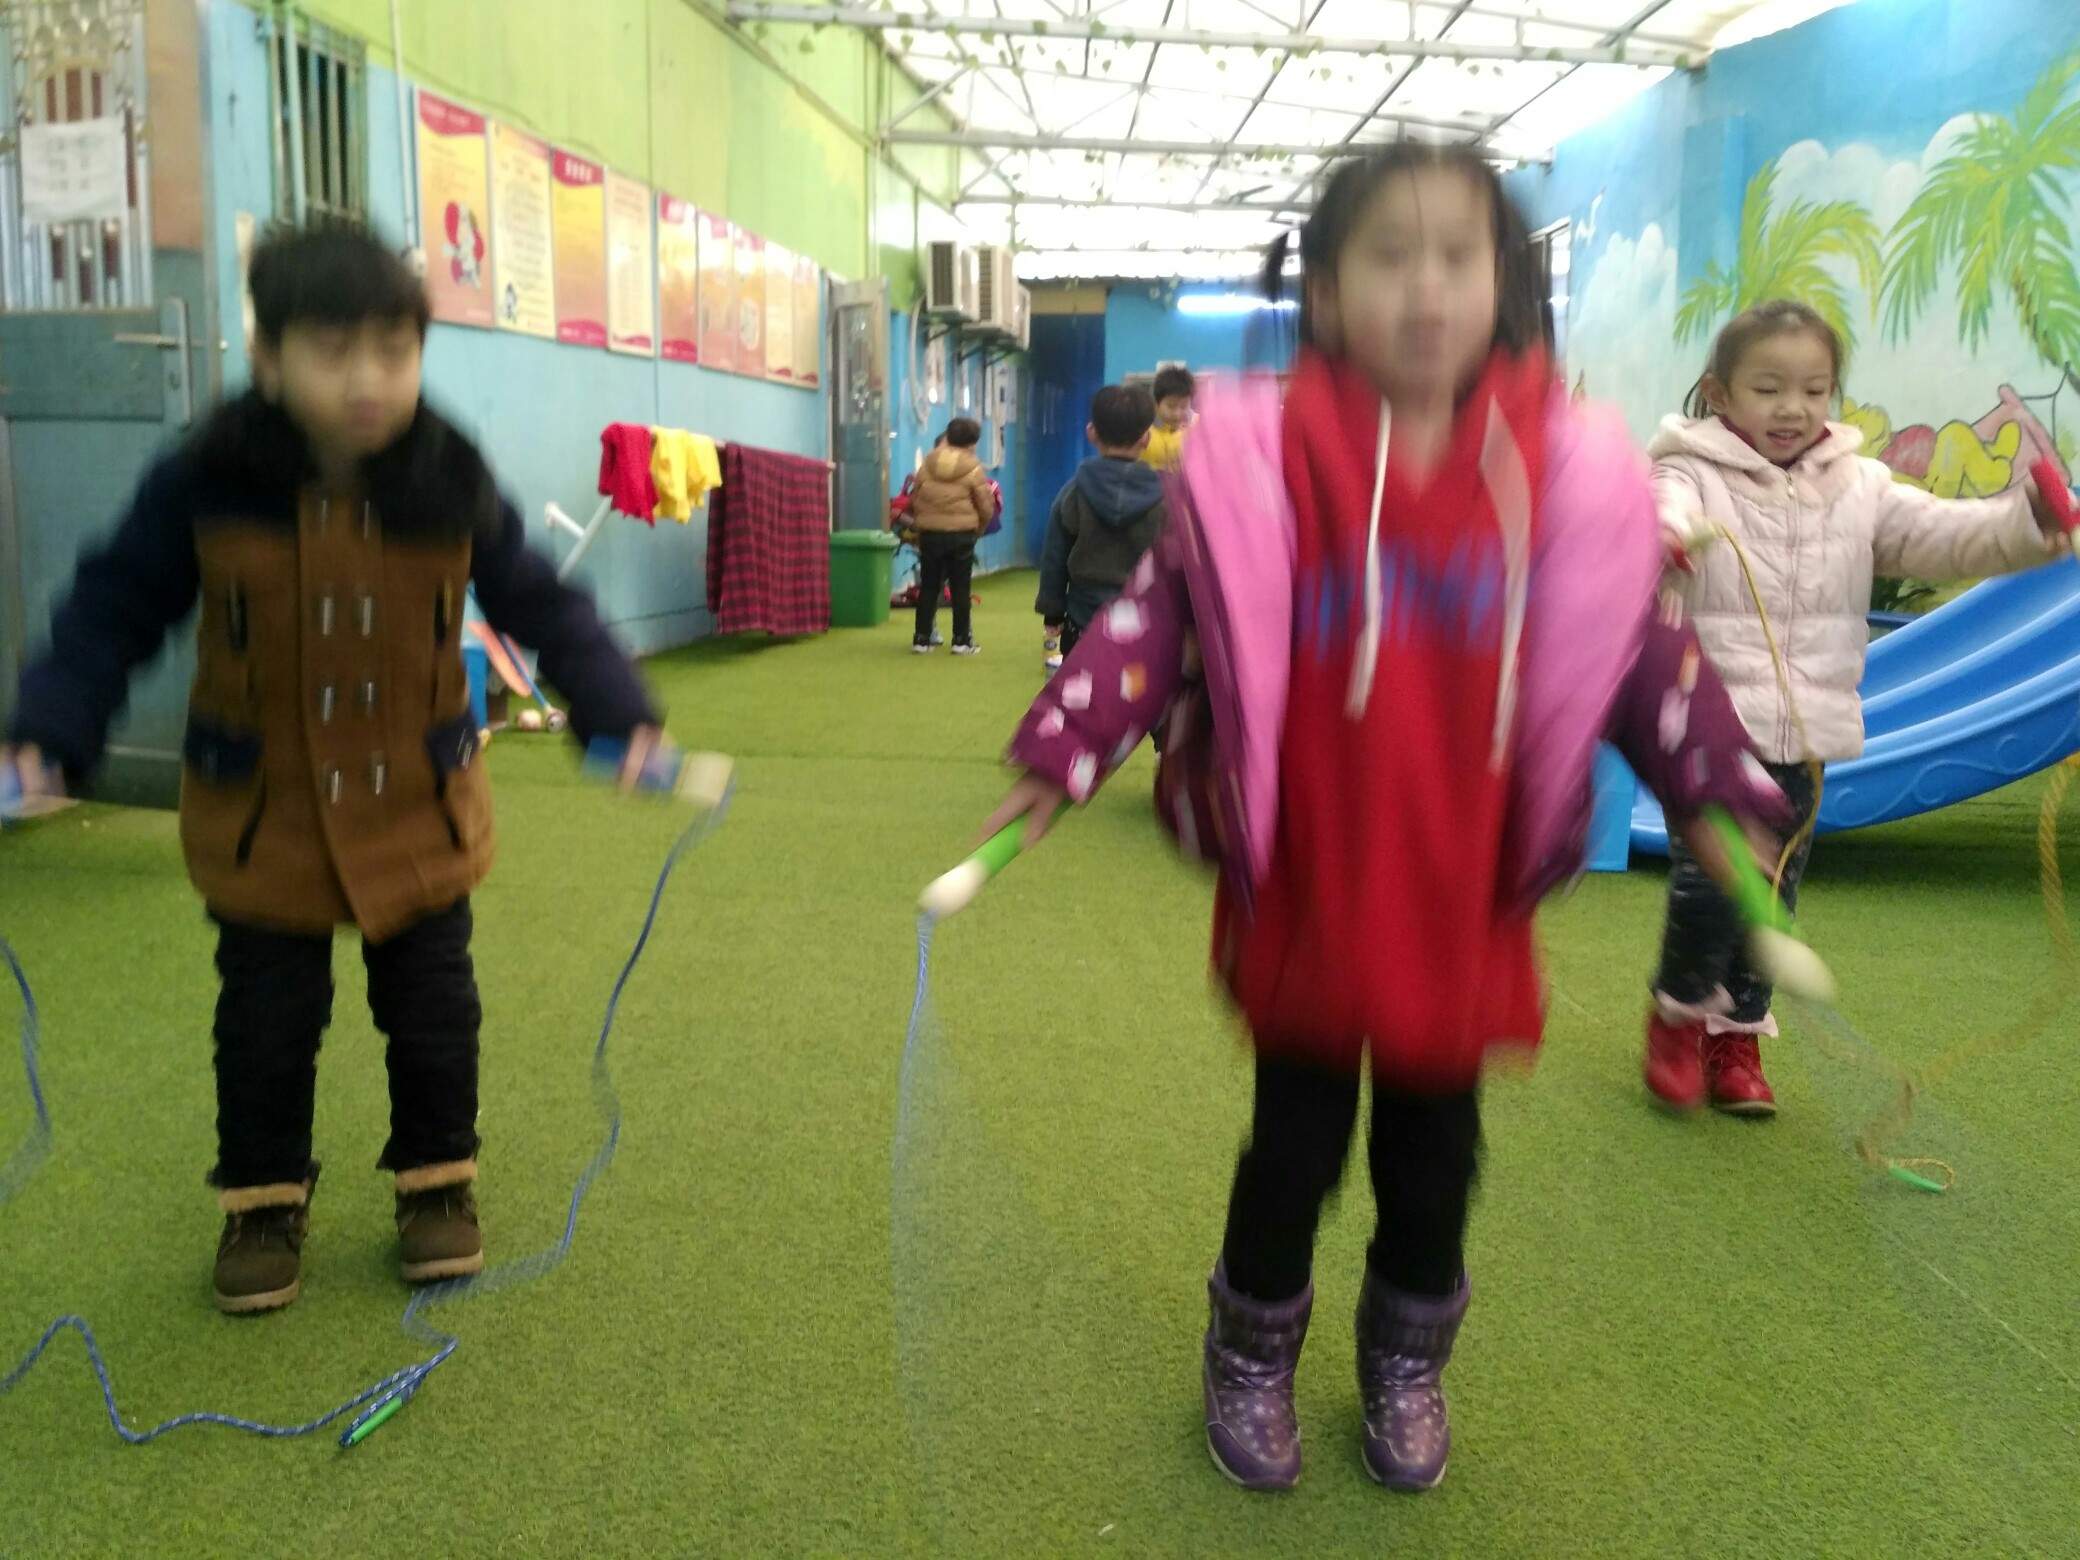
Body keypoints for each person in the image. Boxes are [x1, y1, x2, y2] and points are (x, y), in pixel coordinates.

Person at [973, 144, 1793, 1495]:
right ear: (1328, 291)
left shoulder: (1562, 477)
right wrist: (1063, 750)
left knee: (1434, 1158)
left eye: (1458, 257)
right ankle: (1248, 1352)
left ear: (1502, 284)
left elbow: (1631, 652)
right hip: (1315, 880)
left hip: (1456, 893)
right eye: (1389, 256)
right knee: (1292, 1147)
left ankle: (1406, 1362)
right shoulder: (1266, 461)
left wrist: (1709, 790)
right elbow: (1164, 615)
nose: (1426, 288)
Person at [0, 221, 664, 1314]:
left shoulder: (448, 473)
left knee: (435, 1008)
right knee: (265, 1018)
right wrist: (49, 728)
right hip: (263, 808)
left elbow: (542, 600)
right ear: (268, 358)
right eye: (333, 350)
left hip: (419, 804)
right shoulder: (208, 476)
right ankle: (262, 1200)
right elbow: (111, 605)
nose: (368, 380)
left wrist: (616, 709)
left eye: (394, 352)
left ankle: (437, 1184)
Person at [1642, 298, 2069, 1116]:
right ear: (1719, 393)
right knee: (1711, 884)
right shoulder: (1688, 471)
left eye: (1814, 389)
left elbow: (1949, 535)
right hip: (1708, 732)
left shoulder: (1861, 485)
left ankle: (1737, 1037)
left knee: (1776, 889)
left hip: (1805, 733)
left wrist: (2030, 522)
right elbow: (1662, 510)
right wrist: (1664, 536)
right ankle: (1678, 1013)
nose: (1793, 408)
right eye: (1768, 388)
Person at [1036, 384, 1170, 669]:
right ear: (1146, 438)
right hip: (1147, 618)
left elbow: (1054, 555)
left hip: (1084, 617)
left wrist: (1052, 611)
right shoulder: (1168, 497)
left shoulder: (1072, 493)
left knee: (1085, 690)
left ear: (1092, 433)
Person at [906, 417, 994, 655]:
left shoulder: (928, 463)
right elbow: (985, 505)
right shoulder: (973, 468)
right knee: (960, 588)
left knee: (929, 586)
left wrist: (924, 523)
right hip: (962, 534)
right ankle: (961, 640)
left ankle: (921, 638)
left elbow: (916, 498)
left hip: (930, 533)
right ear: (972, 443)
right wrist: (978, 528)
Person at [1142, 365, 1196, 472]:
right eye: (1171, 406)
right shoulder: (1143, 430)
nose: (1177, 414)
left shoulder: (1197, 428)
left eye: (1184, 406)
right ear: (1156, 403)